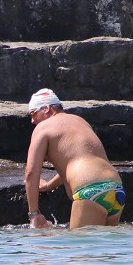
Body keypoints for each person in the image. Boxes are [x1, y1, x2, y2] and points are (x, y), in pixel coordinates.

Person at [24, 88, 125, 229]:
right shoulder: (81, 121)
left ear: (46, 108)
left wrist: (34, 214)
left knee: (78, 247)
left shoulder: (43, 128)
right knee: (103, 249)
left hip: (90, 191)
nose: (32, 120)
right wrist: (49, 185)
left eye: (33, 113)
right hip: (115, 189)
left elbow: (31, 172)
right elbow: (77, 162)